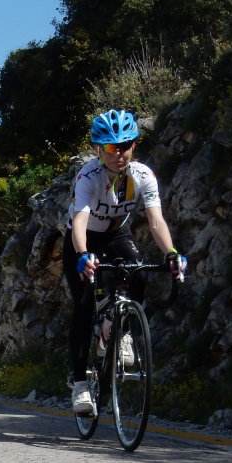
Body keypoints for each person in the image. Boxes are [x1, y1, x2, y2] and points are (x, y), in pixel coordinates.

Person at [65, 109, 185, 415]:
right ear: (99, 149)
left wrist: (171, 253)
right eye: (110, 148)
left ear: (133, 146)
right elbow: (80, 220)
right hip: (83, 237)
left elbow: (155, 221)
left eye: (125, 146)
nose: (118, 154)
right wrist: (82, 254)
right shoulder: (88, 176)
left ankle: (121, 331)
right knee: (83, 306)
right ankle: (80, 384)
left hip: (117, 233)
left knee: (139, 275)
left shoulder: (143, 176)